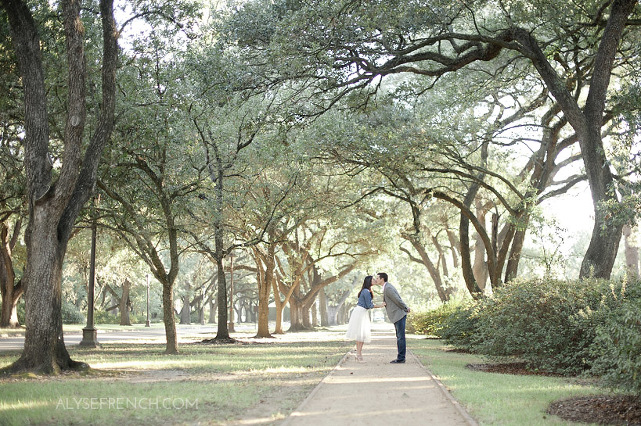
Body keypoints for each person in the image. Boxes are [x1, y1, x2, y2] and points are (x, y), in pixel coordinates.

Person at [345, 275, 385, 362]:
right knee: (361, 335)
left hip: (361, 312)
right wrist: (380, 305)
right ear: (369, 281)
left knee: (361, 335)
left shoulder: (366, 291)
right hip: (361, 312)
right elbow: (369, 305)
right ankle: (359, 354)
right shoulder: (366, 291)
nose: (375, 280)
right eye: (373, 279)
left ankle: (358, 354)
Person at [373, 272, 410, 363]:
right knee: (399, 336)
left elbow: (397, 299)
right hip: (397, 315)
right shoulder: (386, 287)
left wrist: (406, 308)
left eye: (377, 278)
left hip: (399, 315)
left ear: (382, 279)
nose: (376, 280)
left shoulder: (388, 288)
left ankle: (401, 358)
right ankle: (401, 357)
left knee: (400, 337)